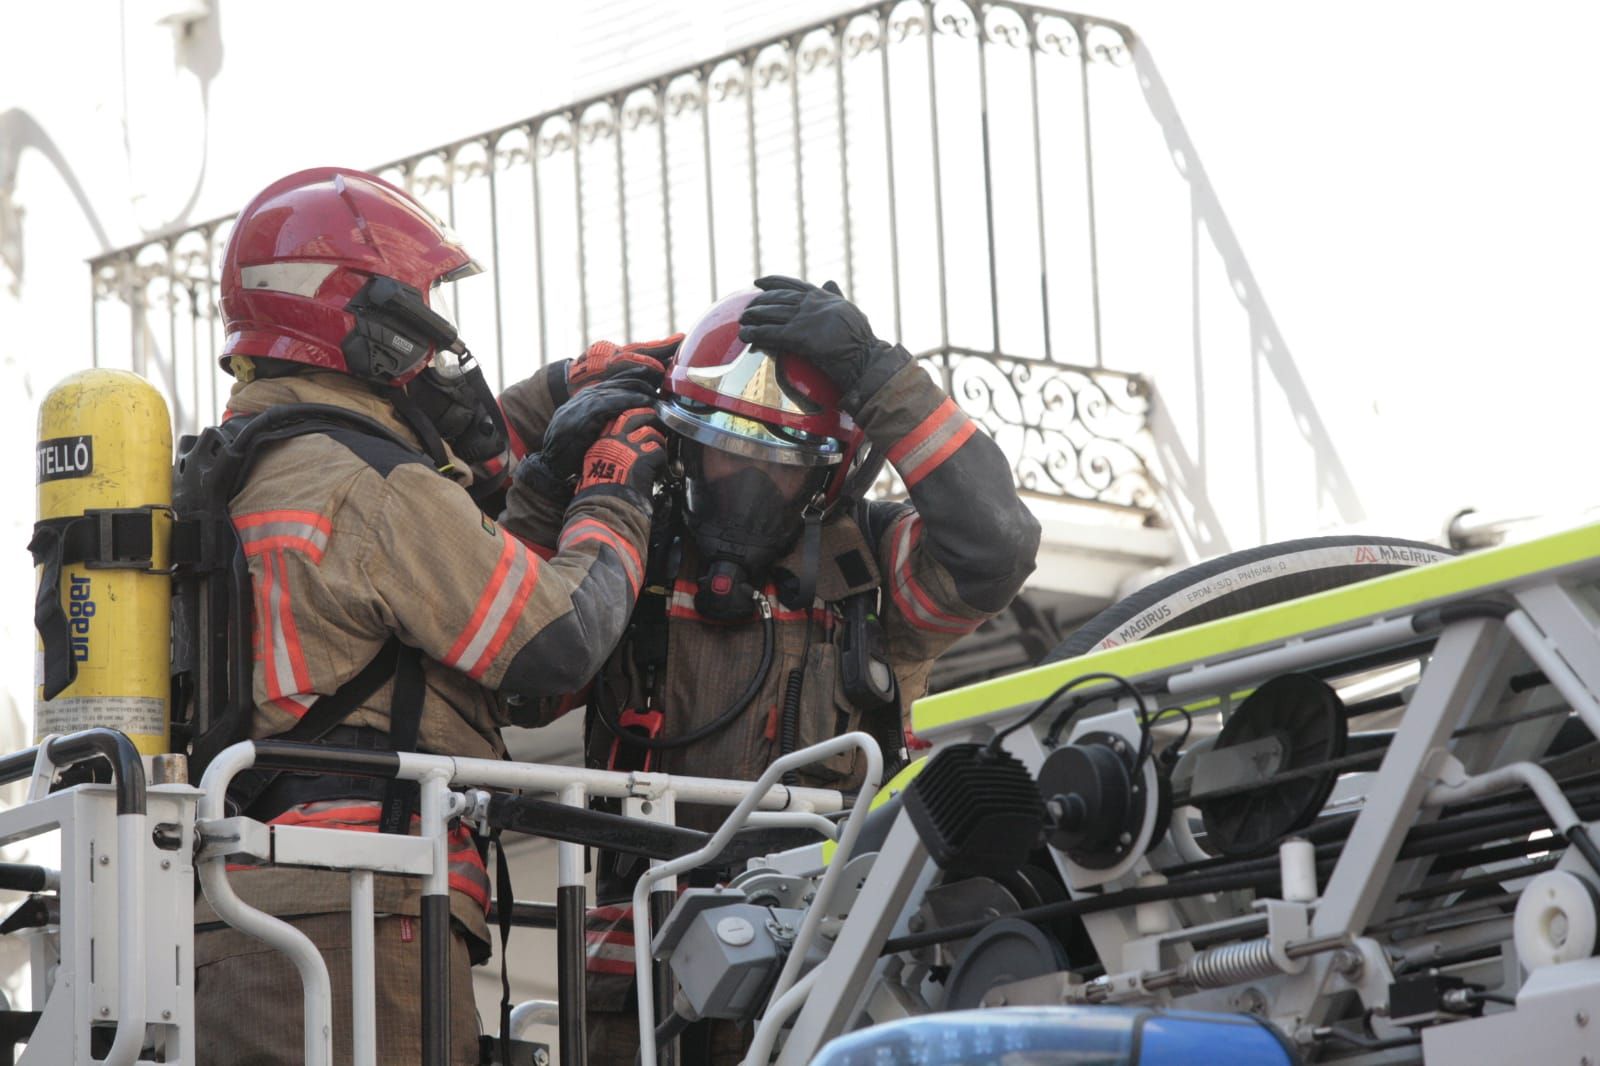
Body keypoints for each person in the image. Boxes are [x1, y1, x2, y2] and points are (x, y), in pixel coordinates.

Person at [188, 167, 665, 1065]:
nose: (436, 345)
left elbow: (451, 500)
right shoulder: (375, 488)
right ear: (365, 321)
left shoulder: (243, 469)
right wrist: (614, 494)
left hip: (233, 916)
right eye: (421, 304)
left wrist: (559, 389)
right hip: (363, 915)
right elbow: (556, 639)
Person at [498, 276, 1042, 1063]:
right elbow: (519, 683)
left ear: (834, 477)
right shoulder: (624, 566)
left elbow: (996, 544)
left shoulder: (877, 574)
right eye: (724, 455)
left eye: (780, 463)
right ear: (681, 445)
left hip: (830, 982)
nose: (745, 488)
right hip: (643, 1001)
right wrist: (547, 487)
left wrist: (878, 374)